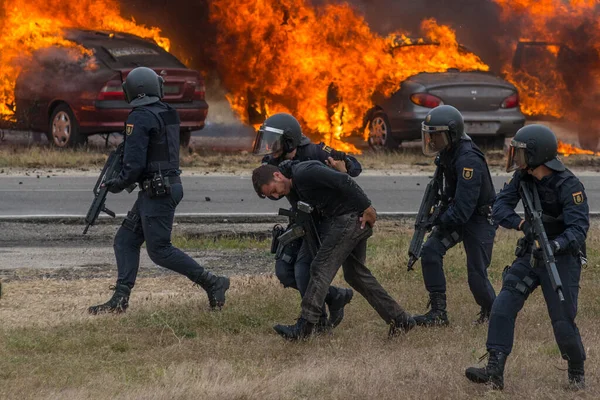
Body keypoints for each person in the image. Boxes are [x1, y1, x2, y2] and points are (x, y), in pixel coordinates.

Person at [88, 67, 230, 314]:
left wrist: (117, 183)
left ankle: (213, 282)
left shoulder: (139, 117)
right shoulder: (168, 113)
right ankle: (120, 299)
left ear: (134, 91)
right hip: (160, 188)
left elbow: (134, 165)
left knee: (160, 251)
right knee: (125, 240)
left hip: (158, 192)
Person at [465, 124, 588, 390]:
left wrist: (554, 245)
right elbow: (499, 207)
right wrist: (522, 226)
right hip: (532, 253)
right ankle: (494, 371)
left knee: (563, 321)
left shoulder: (570, 185)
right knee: (502, 307)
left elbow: (579, 230)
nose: (515, 159)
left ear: (536, 154)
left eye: (520, 154)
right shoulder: (523, 178)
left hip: (562, 258)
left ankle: (576, 372)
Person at [251, 160, 415, 340]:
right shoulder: (292, 188)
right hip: (345, 221)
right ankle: (401, 320)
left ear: (277, 175)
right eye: (272, 196)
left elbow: (343, 181)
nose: (276, 195)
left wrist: (367, 207)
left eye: (274, 190)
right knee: (355, 275)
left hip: (350, 219)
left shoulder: (304, 172)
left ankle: (304, 327)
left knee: (319, 268)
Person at [253, 112, 360, 329]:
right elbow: (268, 185)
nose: (269, 147)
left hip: (322, 221)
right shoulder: (272, 162)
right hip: (300, 221)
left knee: (304, 272)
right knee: (284, 272)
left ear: (289, 139)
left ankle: (318, 325)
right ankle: (335, 296)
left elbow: (354, 166)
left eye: (273, 141)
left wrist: (341, 167)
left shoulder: (316, 152)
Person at [413, 105, 497, 326]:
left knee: (476, 275)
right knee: (430, 251)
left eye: (436, 136)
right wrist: (434, 215)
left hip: (478, 219)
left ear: (452, 133)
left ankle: (494, 313)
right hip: (456, 214)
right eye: (429, 135)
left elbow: (462, 209)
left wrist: (437, 221)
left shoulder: (468, 159)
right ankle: (438, 313)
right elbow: (446, 194)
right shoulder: (447, 153)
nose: (432, 140)